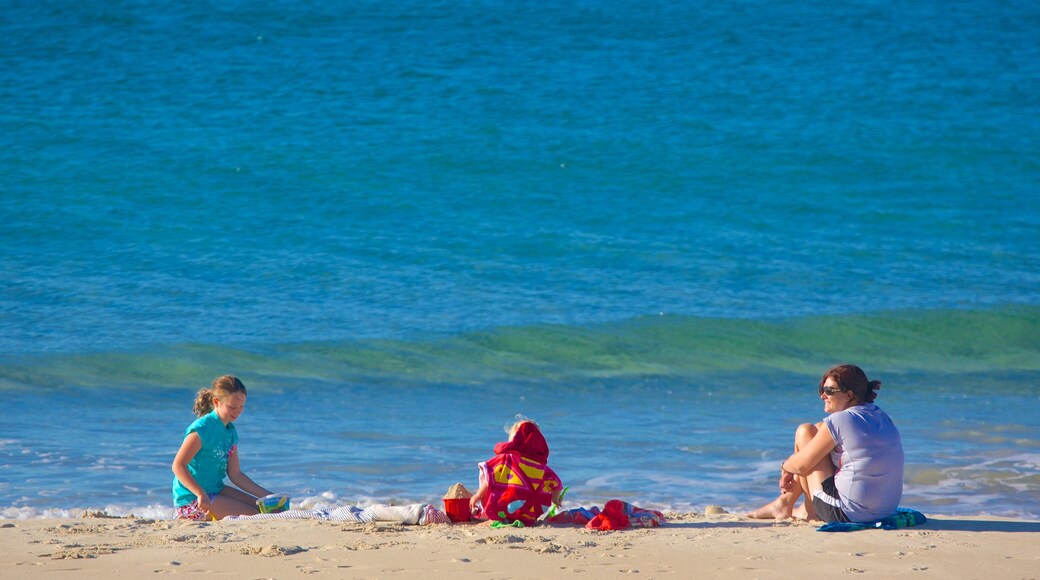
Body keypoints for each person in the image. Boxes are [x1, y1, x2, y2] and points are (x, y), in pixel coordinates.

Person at [746, 364, 904, 523]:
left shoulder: (840, 420)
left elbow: (801, 466)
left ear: (849, 394)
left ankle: (800, 508)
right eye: (822, 390)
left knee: (805, 431)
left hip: (847, 514)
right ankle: (788, 504)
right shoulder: (880, 415)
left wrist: (785, 467)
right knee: (820, 429)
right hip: (885, 511)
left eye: (829, 391)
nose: (823, 395)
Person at [171, 375, 273, 520]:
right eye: (232, 407)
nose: (237, 411)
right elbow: (178, 466)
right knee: (256, 517)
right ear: (216, 402)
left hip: (215, 490)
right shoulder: (202, 429)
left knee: (264, 509)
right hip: (193, 500)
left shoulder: (230, 432)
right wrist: (200, 493)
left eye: (241, 407)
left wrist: (267, 495)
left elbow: (235, 474)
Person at [469, 416, 564, 525]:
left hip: (504, 508)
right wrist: (555, 499)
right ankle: (523, 518)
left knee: (493, 477)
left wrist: (478, 495)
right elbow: (556, 483)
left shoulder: (505, 459)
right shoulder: (541, 467)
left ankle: (495, 516)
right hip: (530, 514)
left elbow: (490, 476)